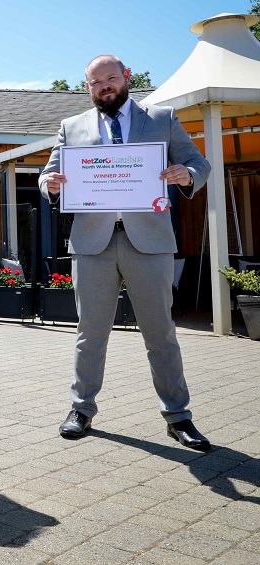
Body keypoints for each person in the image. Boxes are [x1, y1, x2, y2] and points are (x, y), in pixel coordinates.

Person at [40, 55, 212, 450]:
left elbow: (197, 161)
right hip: (92, 242)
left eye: (111, 79)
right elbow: (49, 172)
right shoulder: (71, 126)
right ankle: (81, 408)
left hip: (149, 241)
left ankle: (178, 417)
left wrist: (188, 175)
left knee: (160, 332)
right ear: (88, 87)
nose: (105, 87)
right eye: (96, 82)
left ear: (126, 78)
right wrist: (48, 182)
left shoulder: (162, 118)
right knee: (90, 332)